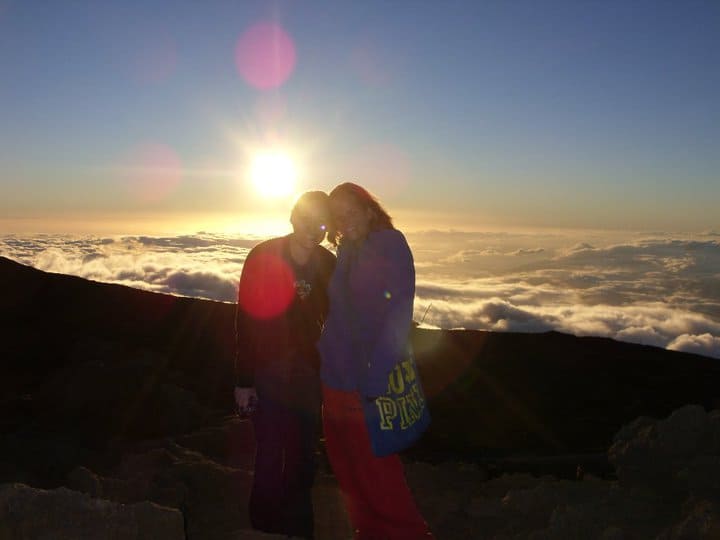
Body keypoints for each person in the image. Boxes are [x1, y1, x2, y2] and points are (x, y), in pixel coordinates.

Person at [318, 182, 433, 539]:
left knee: (377, 472)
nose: (345, 220)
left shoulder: (390, 244)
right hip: (333, 376)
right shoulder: (348, 249)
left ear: (370, 209)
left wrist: (377, 377)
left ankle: (408, 534)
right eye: (338, 216)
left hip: (363, 379)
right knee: (348, 468)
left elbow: (398, 316)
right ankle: (367, 532)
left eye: (352, 211)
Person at [234, 191, 336, 539]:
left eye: (321, 223)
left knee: (302, 454)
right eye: (307, 219)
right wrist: (243, 379)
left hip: (308, 372)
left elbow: (337, 316)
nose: (313, 229)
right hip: (267, 371)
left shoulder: (326, 263)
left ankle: (298, 529)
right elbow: (245, 319)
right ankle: (262, 527)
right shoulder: (263, 256)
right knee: (268, 453)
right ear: (293, 217)